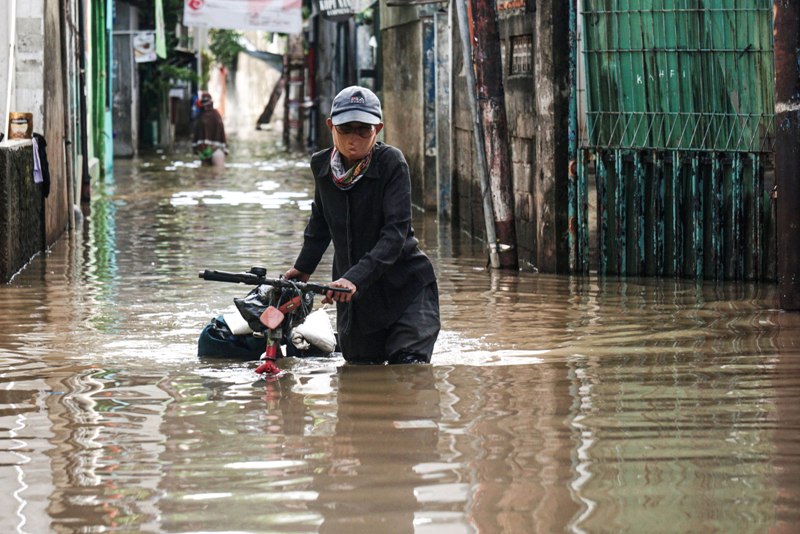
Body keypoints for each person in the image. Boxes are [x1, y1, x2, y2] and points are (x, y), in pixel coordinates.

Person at [285, 85, 440, 364]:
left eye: (363, 130)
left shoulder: (391, 163)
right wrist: (303, 268)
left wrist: (354, 278)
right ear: (331, 126)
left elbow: (394, 235)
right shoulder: (321, 166)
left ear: (377, 130)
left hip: (405, 289)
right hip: (354, 296)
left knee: (409, 367)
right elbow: (320, 223)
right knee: (360, 367)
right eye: (345, 129)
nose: (353, 139)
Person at [192, 92, 227, 166]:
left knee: (205, 172)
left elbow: (196, 136)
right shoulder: (216, 115)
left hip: (205, 151)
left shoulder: (200, 116)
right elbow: (221, 134)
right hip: (216, 150)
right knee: (217, 171)